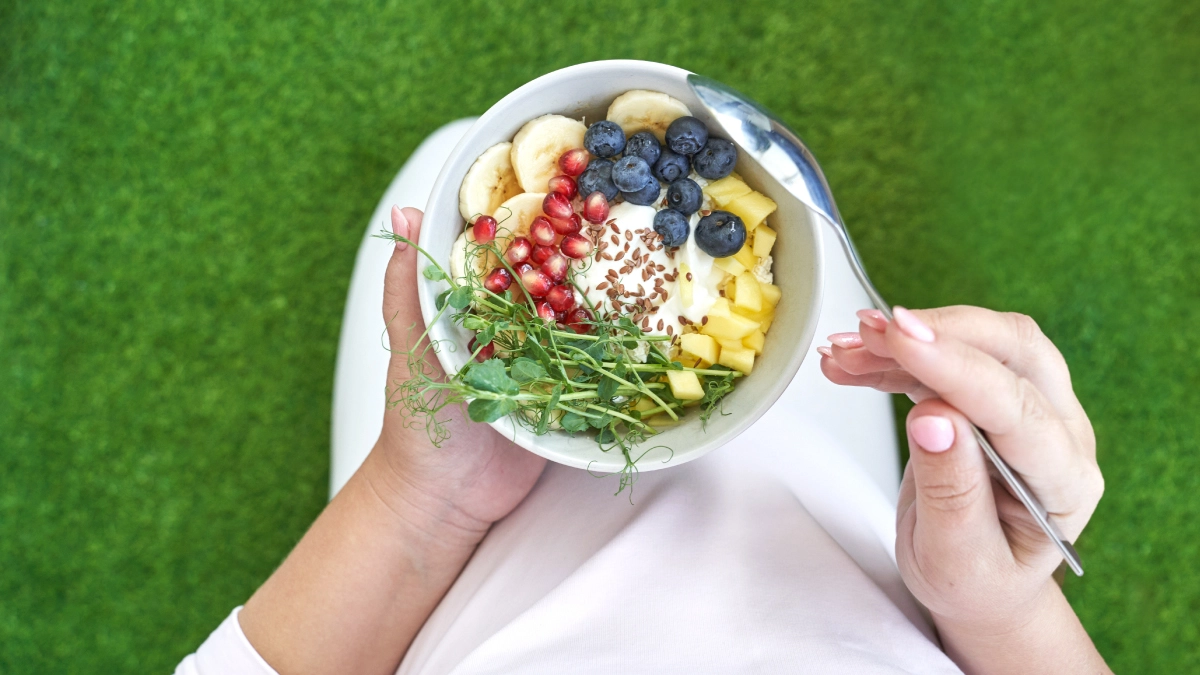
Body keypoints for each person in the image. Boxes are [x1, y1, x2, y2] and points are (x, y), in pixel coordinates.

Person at [176, 122, 1110, 675]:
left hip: (456, 546)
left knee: (439, 154)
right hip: (851, 509)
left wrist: (422, 499)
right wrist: (995, 608)